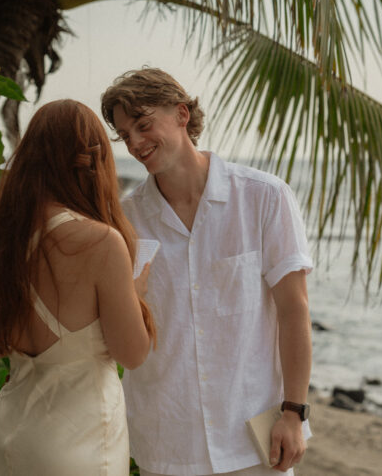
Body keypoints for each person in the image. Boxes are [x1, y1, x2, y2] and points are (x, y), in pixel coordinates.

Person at [100, 68, 314, 476]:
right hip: (166, 442)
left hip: (255, 442)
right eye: (126, 135)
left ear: (182, 114)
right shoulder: (125, 221)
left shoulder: (264, 198)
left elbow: (294, 310)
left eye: (144, 125)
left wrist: (294, 413)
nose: (136, 143)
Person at [0, 99, 157, 476]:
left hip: (10, 440)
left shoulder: (4, 234)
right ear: (94, 162)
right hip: (78, 446)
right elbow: (133, 354)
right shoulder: (100, 242)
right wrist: (134, 294)